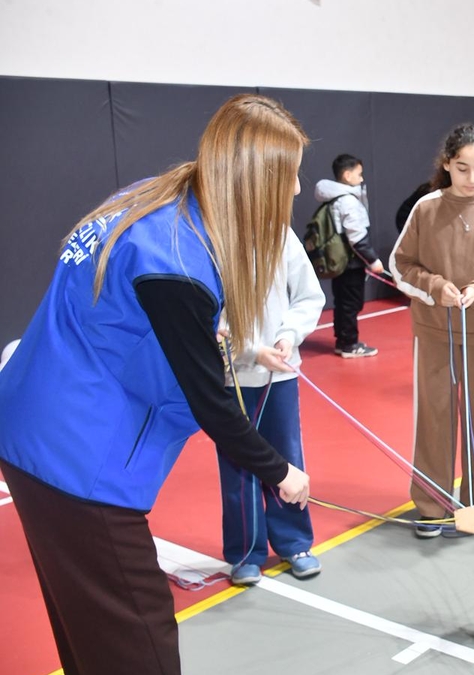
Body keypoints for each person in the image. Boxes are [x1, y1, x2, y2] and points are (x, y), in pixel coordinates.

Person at [0, 93, 311, 675]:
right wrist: (281, 472)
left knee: (93, 636)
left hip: (34, 427)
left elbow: (135, 317)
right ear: (255, 182)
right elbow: (215, 405)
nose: (296, 191)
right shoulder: (177, 265)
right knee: (138, 641)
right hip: (76, 458)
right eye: (290, 178)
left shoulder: (154, 199)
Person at [390, 123, 474, 537]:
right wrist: (434, 286)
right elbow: (401, 265)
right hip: (433, 332)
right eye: (462, 168)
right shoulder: (426, 209)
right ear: (446, 164)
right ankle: (432, 505)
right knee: (435, 417)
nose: (471, 179)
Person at [220, 227, 326, 585]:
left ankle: (294, 541)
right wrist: (252, 349)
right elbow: (208, 311)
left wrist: (288, 335)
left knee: (286, 458)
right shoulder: (212, 236)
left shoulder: (281, 236)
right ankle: (246, 551)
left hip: (279, 376)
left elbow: (309, 296)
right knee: (239, 463)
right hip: (232, 375)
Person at [315, 153, 384, 358]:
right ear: (347, 175)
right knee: (350, 303)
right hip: (350, 263)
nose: (362, 179)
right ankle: (349, 344)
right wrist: (373, 260)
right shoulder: (348, 201)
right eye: (359, 174)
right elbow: (356, 237)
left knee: (343, 301)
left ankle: (343, 340)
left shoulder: (336, 198)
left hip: (340, 261)